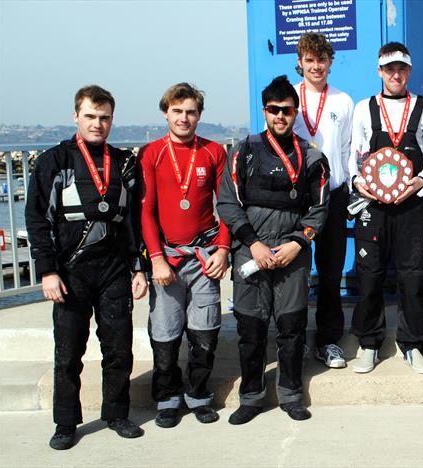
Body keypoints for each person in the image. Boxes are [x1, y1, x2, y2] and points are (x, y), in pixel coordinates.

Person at [25, 85, 148, 450]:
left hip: (114, 270)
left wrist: (138, 267)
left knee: (119, 348)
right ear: (76, 116)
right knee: (68, 353)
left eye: (105, 117)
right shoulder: (53, 161)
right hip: (69, 272)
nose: (98, 124)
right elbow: (37, 220)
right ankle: (65, 422)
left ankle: (117, 413)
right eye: (91, 116)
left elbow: (133, 221)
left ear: (112, 120)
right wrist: (47, 271)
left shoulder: (125, 162)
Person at [217, 75, 330, 423]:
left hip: (292, 256)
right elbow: (227, 203)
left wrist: (298, 243)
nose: (280, 116)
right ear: (263, 110)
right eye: (273, 110)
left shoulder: (312, 157)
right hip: (251, 253)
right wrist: (253, 244)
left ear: (296, 112)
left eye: (287, 110)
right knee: (251, 330)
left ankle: (291, 394)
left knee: (291, 327)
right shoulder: (243, 152)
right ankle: (251, 397)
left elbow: (320, 208)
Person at [139, 83, 230, 428]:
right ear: (166, 112)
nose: (184, 118)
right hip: (168, 259)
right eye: (177, 111)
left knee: (204, 333)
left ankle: (199, 395)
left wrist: (222, 249)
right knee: (165, 334)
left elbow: (227, 206)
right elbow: (146, 212)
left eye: (191, 111)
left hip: (205, 256)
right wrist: (156, 258)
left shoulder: (213, 152)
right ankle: (167, 397)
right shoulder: (151, 153)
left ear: (199, 115)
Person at [347, 42, 423, 374]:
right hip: (373, 206)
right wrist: (357, 180)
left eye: (401, 68)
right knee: (369, 277)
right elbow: (354, 154)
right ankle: (369, 343)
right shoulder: (363, 108)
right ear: (379, 72)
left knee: (413, 277)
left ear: (410, 71)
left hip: (410, 206)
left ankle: (412, 344)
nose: (395, 74)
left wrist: (420, 181)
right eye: (389, 69)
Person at [292, 32, 355, 369]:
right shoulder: (289, 98)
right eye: (309, 60)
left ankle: (328, 340)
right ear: (300, 62)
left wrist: (349, 188)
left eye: (322, 59)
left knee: (330, 274)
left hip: (332, 195)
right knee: (295, 273)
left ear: (330, 62)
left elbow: (348, 151)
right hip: (297, 199)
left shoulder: (344, 100)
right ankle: (296, 337)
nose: (316, 66)